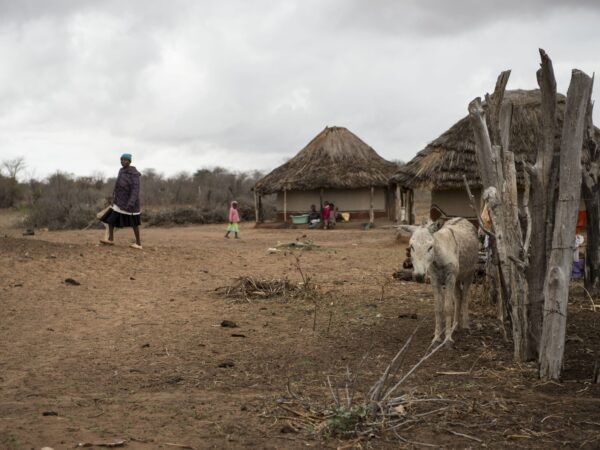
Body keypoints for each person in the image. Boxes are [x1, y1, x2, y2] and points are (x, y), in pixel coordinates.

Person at [99, 153, 142, 249]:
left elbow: (135, 189)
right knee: (111, 220)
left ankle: (138, 243)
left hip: (131, 203)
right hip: (119, 201)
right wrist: (113, 198)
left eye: (125, 160)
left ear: (129, 161)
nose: (122, 161)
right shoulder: (121, 171)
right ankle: (110, 239)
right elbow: (117, 186)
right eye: (121, 160)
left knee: (134, 224)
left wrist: (131, 202)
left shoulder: (134, 174)